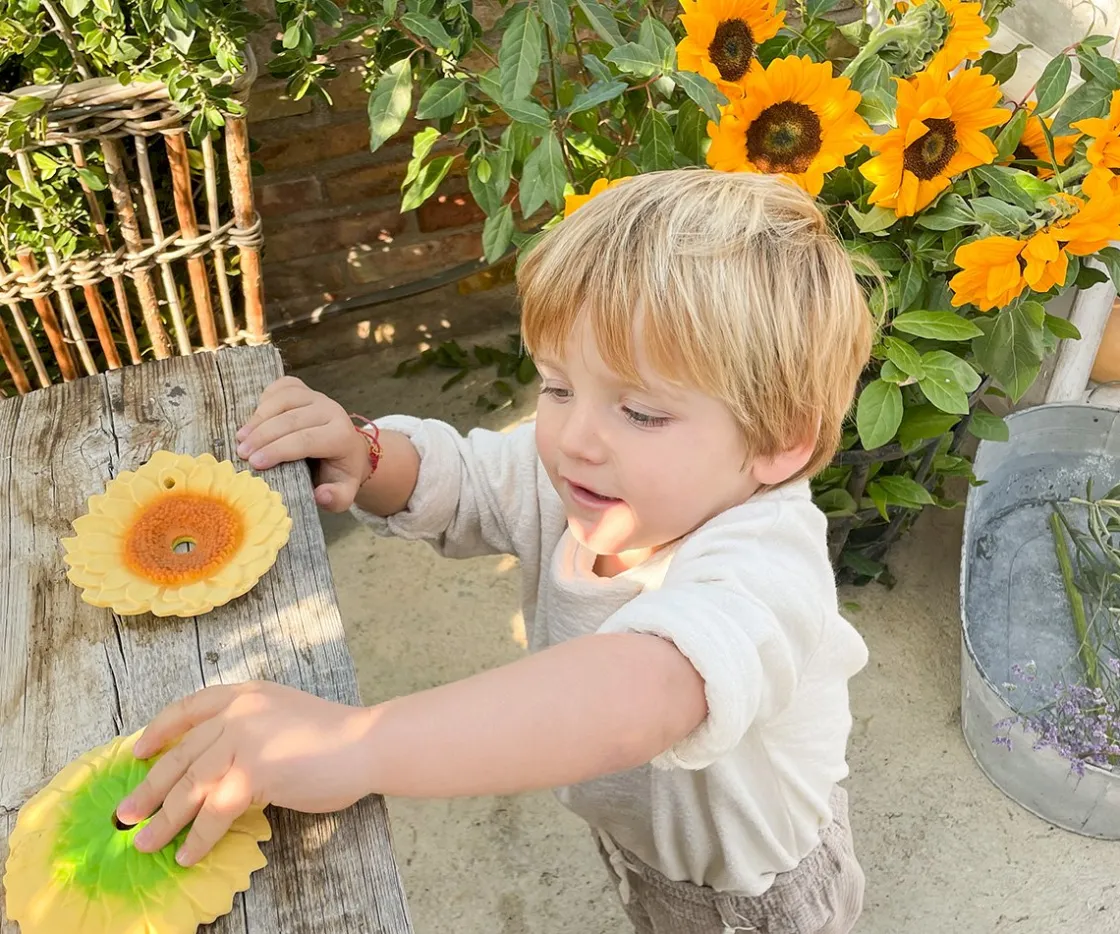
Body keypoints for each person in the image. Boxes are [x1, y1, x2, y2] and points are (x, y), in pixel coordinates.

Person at [115, 169, 875, 934]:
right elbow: (470, 478)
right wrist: (365, 454)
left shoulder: (767, 563)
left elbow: (648, 691)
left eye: (642, 412)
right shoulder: (584, 480)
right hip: (644, 846)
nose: (574, 440)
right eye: (558, 387)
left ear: (780, 440)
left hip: (754, 897)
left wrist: (356, 745)